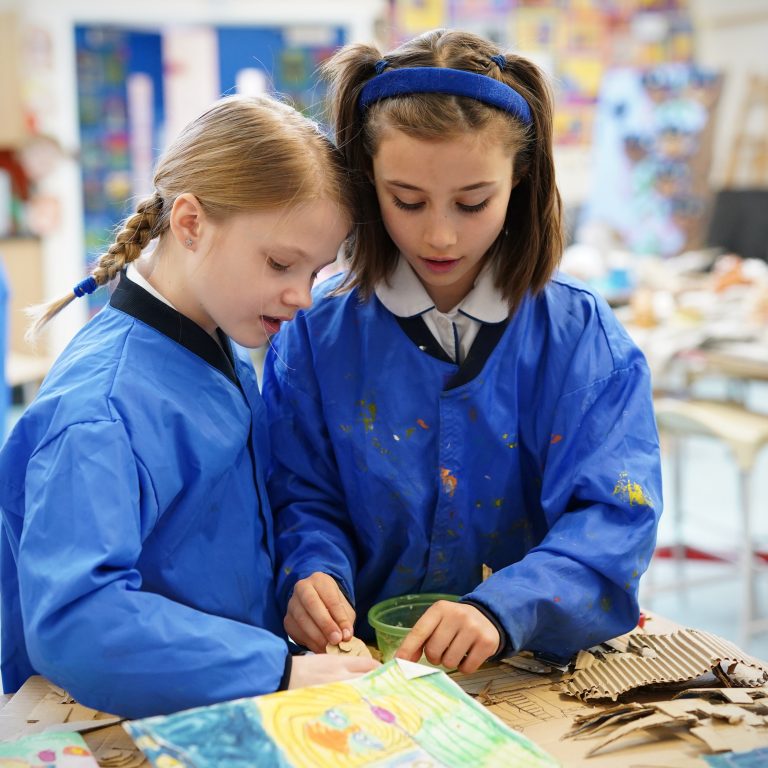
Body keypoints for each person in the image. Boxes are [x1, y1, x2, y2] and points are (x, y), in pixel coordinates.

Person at [262, 29, 662, 675]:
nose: (440, 234)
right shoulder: (314, 333)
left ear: (521, 177)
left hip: (530, 664)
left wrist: (502, 609)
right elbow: (300, 495)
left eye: (473, 202)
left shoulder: (582, 339)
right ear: (367, 179)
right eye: (407, 200)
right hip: (361, 667)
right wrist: (310, 571)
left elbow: (615, 521)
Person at [0, 94, 378, 719]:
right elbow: (76, 621)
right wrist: (275, 669)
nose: (303, 297)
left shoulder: (218, 337)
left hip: (222, 695)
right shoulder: (102, 408)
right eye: (282, 263)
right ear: (191, 223)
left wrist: (299, 580)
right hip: (118, 717)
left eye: (316, 272)